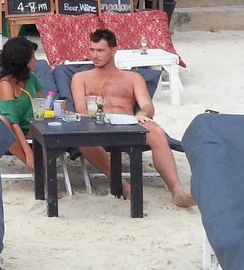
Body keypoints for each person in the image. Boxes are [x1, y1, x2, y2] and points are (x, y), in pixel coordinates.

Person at [70, 28, 195, 208]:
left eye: (100, 50)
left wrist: (143, 114)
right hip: (97, 124)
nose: (94, 55)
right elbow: (82, 110)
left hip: (128, 125)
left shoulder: (133, 78)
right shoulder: (80, 78)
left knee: (157, 131)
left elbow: (147, 105)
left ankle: (177, 191)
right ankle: (121, 184)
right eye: (92, 50)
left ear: (113, 51)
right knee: (82, 137)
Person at [0, 36, 43, 173]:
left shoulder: (32, 79)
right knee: (2, 120)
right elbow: (13, 122)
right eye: (32, 57)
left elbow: (42, 104)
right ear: (21, 61)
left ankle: (42, 167)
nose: (36, 60)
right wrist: (28, 151)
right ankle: (37, 171)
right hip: (13, 131)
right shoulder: (6, 86)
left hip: (35, 126)